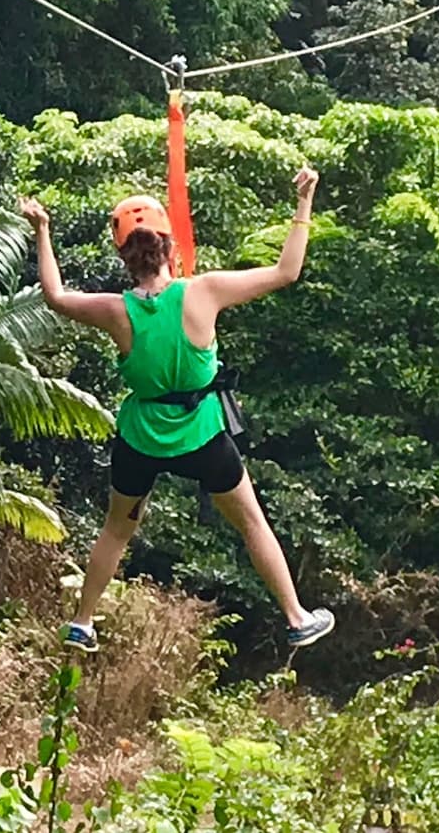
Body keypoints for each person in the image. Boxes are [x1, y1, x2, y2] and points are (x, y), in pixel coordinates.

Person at [19, 167, 336, 654]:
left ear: (124, 255)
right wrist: (304, 201)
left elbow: (56, 296)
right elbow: (286, 271)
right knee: (251, 521)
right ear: (168, 246)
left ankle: (82, 622)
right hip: (202, 435)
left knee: (117, 529)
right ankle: (296, 617)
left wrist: (42, 230)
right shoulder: (202, 291)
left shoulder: (116, 309)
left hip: (141, 437)